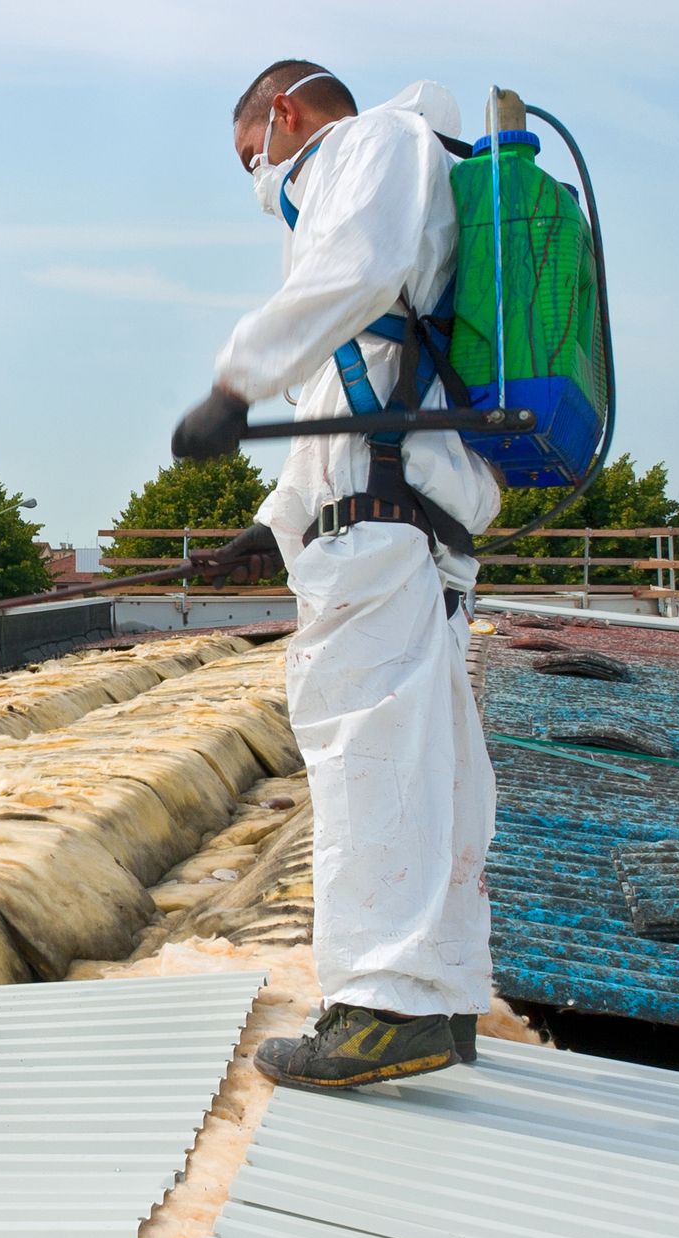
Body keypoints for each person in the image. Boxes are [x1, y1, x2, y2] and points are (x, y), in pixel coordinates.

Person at [172, 60, 500, 1088]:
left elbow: (350, 266)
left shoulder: (371, 147)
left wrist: (235, 382)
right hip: (407, 522)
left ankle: (380, 1005)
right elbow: (346, 392)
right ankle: (440, 998)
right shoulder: (413, 172)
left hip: (386, 529)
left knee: (368, 755)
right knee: (436, 766)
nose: (258, 178)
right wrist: (269, 529)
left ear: (285, 114)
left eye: (250, 157)